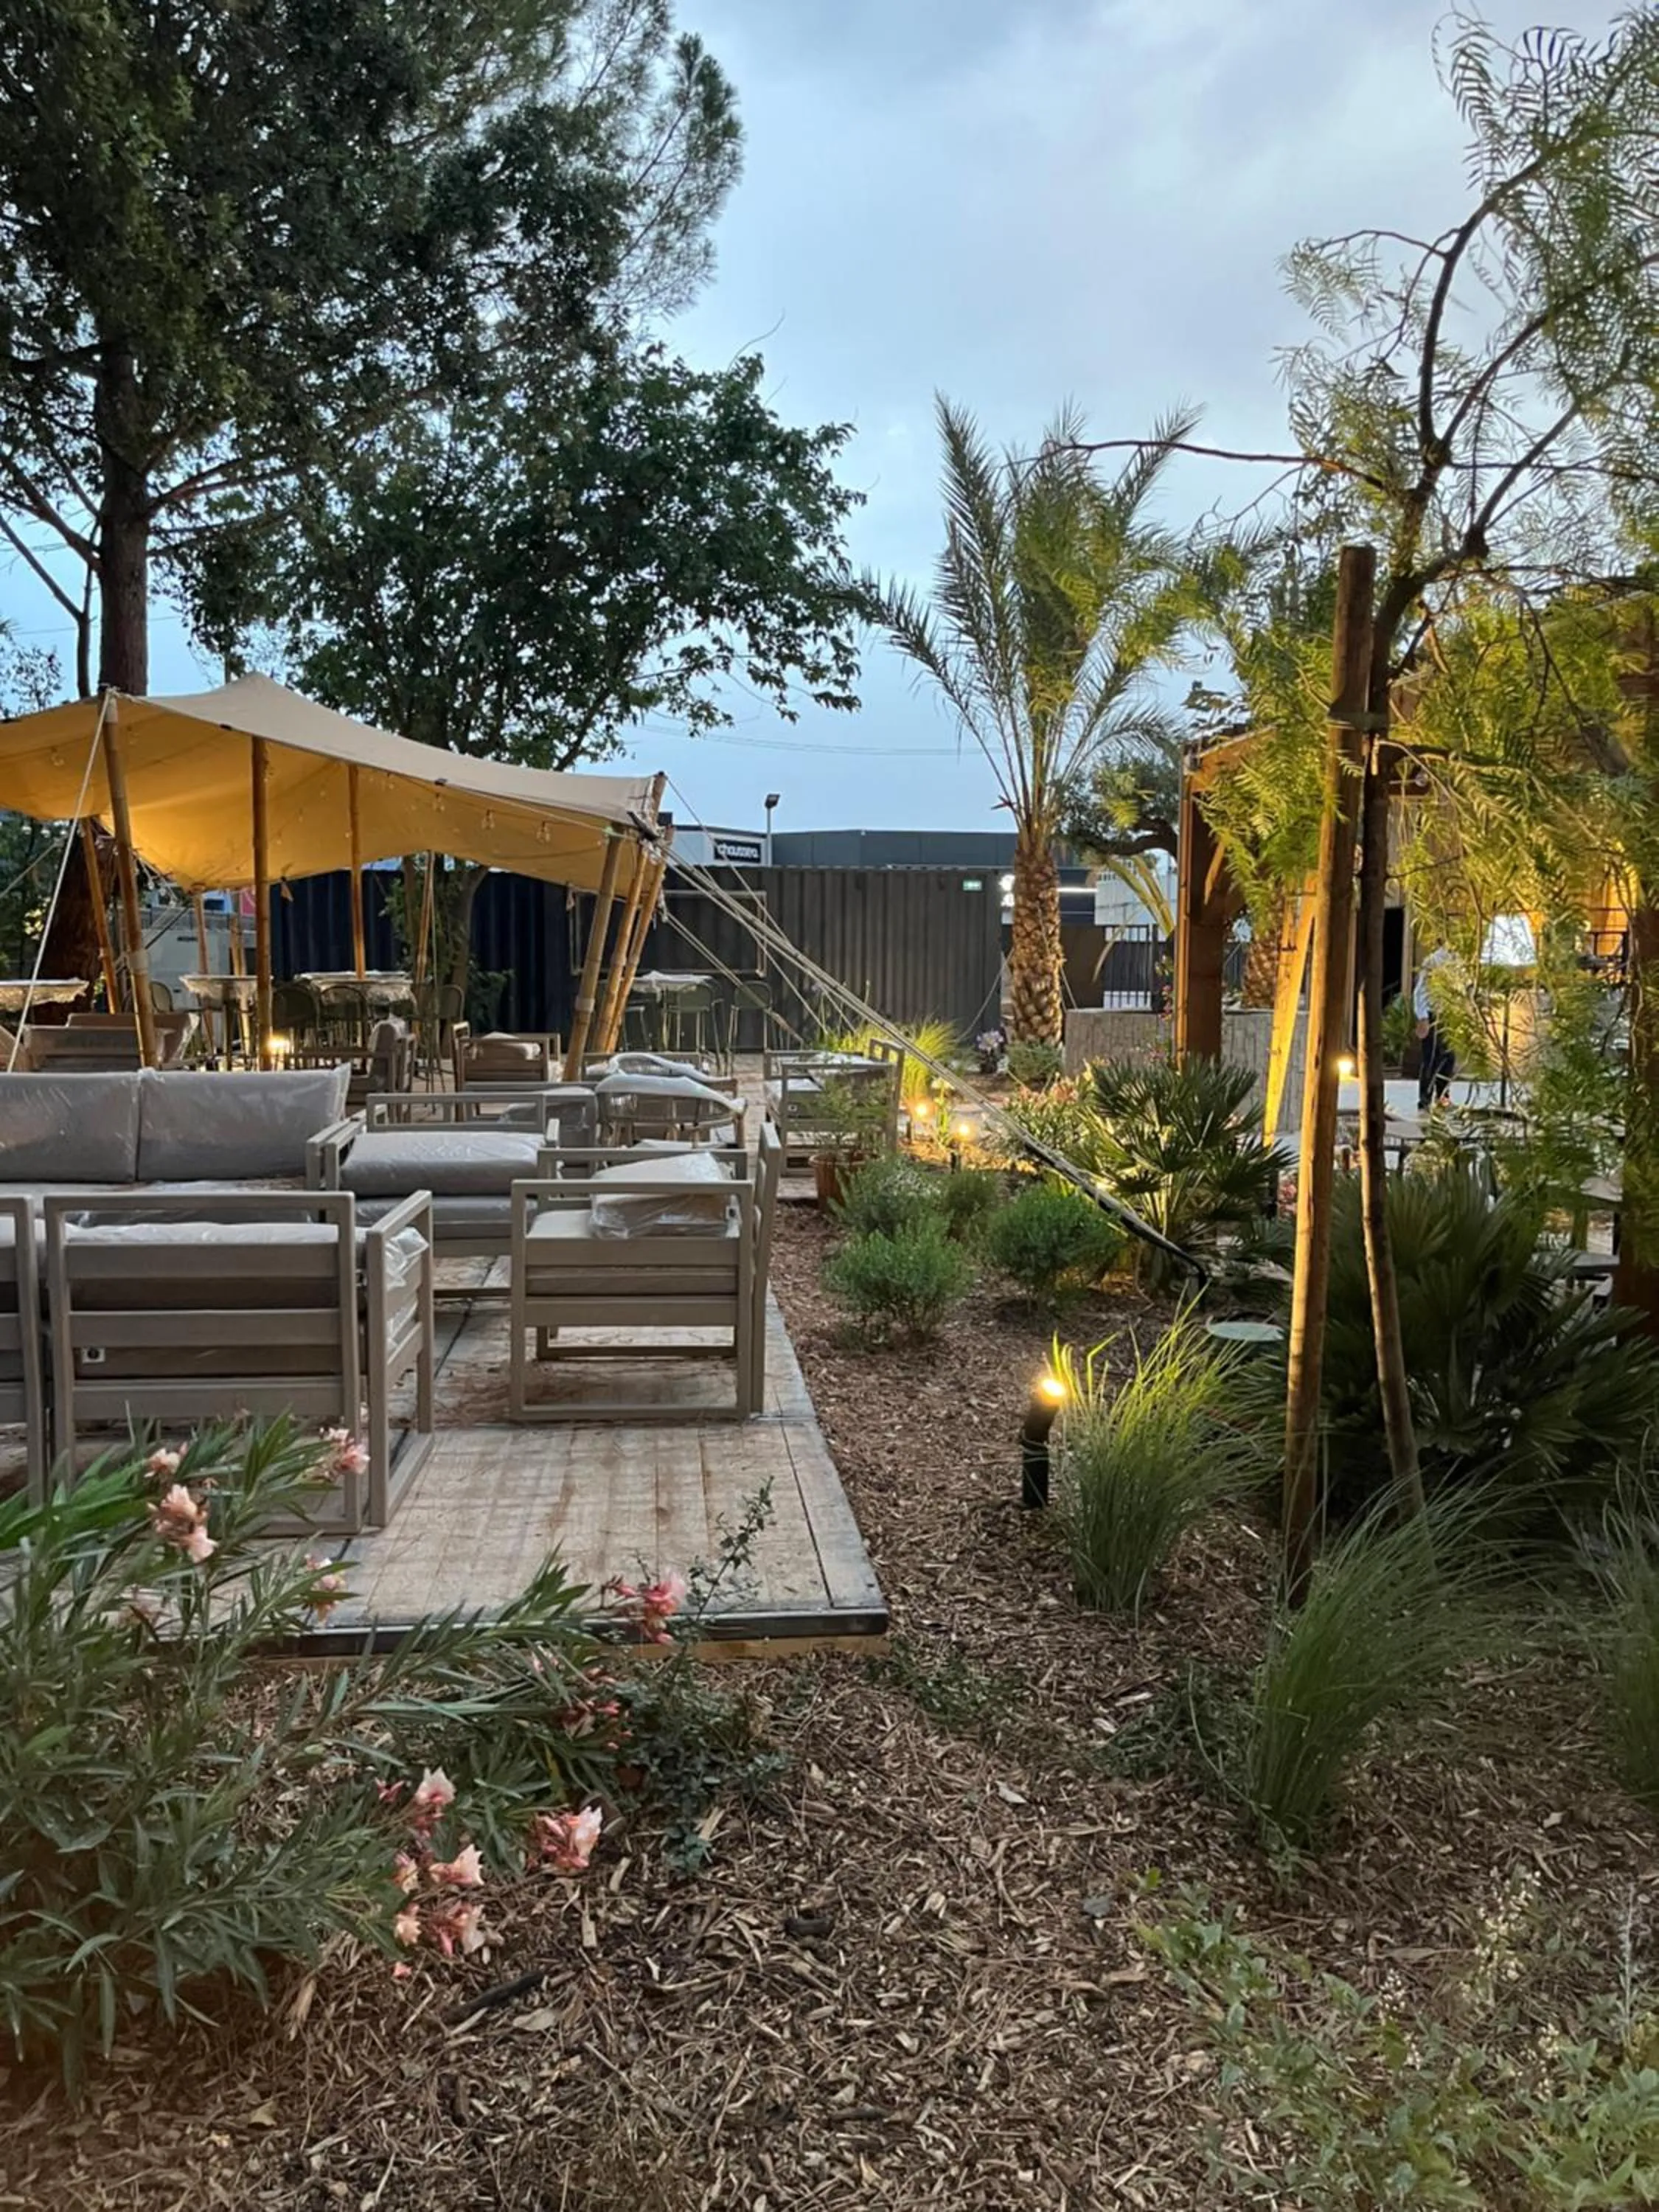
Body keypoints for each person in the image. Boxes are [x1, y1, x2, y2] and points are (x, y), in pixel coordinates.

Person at [1414, 945, 1455, 1113]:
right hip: (1433, 1014)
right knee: (1431, 1059)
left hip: (1451, 1014)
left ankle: (1443, 1096)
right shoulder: (1433, 961)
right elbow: (1421, 991)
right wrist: (1422, 1016)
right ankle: (1424, 1099)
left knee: (1449, 1058)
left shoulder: (1459, 961)